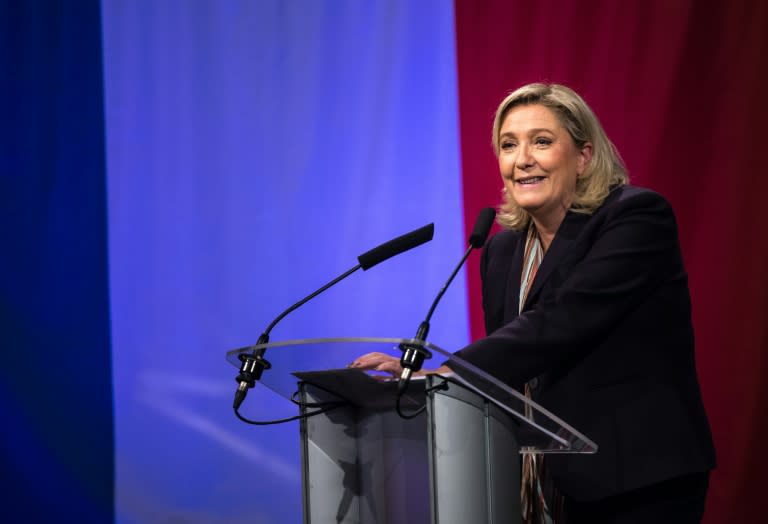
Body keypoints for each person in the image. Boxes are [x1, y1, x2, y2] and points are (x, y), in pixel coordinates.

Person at [350, 83, 716, 523]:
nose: (522, 159)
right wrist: (433, 387)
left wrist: (446, 371)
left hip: (636, 480)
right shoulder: (502, 252)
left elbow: (564, 320)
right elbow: (513, 363)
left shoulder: (634, 217)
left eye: (541, 141)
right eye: (508, 145)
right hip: (536, 482)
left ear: (583, 156)